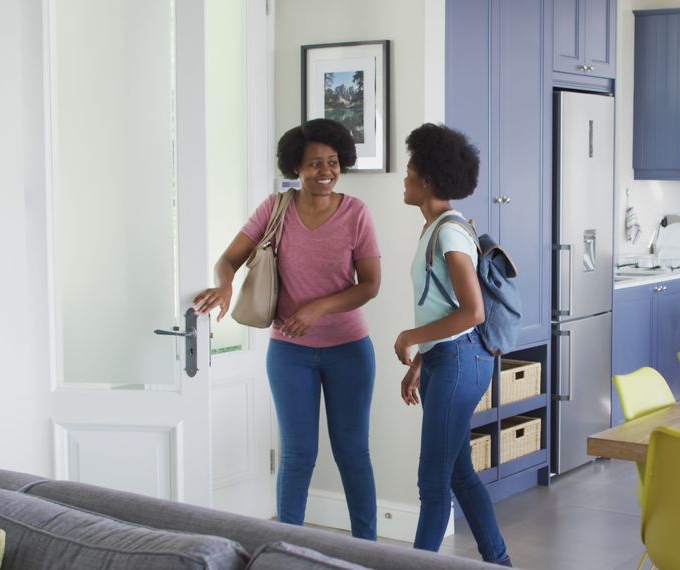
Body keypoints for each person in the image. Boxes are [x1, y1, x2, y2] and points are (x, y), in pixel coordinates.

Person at [194, 119, 381, 539]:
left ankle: (367, 548)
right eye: (315, 164)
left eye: (333, 162)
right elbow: (228, 259)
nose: (325, 172)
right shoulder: (275, 208)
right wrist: (224, 284)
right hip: (290, 353)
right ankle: (285, 547)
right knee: (298, 455)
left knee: (353, 453)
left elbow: (370, 285)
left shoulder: (356, 213)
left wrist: (319, 308)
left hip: (349, 349)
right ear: (296, 166)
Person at [395, 123, 512, 566]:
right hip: (446, 360)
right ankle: (499, 563)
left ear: (426, 179)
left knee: (433, 482)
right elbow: (439, 307)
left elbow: (472, 312)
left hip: (460, 362)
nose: (403, 179)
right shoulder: (435, 228)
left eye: (408, 171)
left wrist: (410, 338)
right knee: (459, 473)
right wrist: (419, 363)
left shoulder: (448, 232)